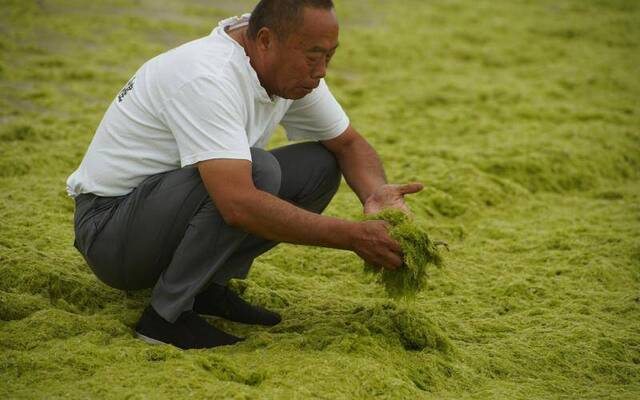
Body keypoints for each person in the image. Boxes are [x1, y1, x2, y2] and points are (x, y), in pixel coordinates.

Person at [67, 0, 423, 350]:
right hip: (109, 233)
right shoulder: (207, 75)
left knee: (321, 165)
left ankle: (207, 290)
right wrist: (353, 237)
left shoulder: (285, 66)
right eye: (313, 56)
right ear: (266, 40)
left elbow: (347, 145)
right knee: (256, 172)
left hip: (160, 212)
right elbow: (237, 204)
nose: (322, 71)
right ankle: (164, 319)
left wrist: (377, 196)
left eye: (329, 56)